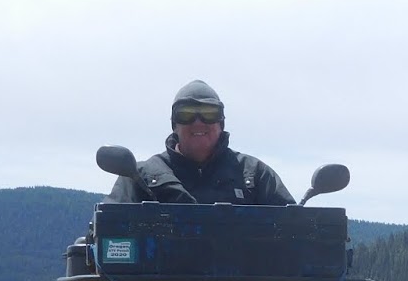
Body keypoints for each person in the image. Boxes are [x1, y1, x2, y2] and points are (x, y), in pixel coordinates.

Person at [109, 80, 296, 206]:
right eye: (186, 114)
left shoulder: (255, 175)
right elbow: (102, 234)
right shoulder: (139, 178)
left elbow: (297, 232)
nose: (198, 122)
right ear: (174, 124)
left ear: (221, 123)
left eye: (209, 113)